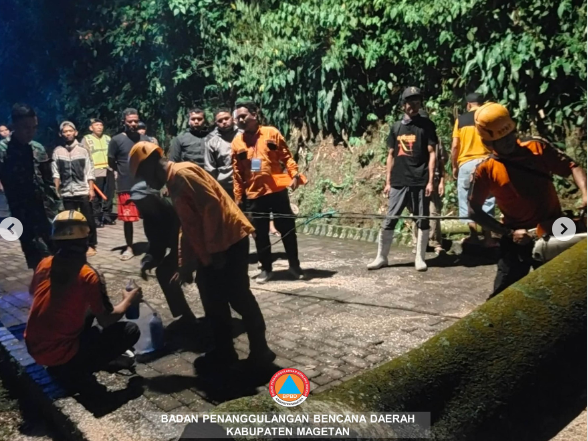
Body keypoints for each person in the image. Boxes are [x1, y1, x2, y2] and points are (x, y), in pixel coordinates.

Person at [129, 142, 275, 368]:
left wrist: (215, 253)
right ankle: (225, 351)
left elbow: (213, 209)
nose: (147, 183)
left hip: (228, 242)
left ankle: (261, 350)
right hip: (215, 247)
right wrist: (185, 262)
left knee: (238, 297)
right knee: (212, 300)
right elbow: (189, 227)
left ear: (150, 164)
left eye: (144, 176)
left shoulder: (183, 174)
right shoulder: (173, 182)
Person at [468, 102, 587, 298]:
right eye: (501, 140)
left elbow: (572, 166)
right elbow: (474, 210)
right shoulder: (486, 169)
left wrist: (585, 191)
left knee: (566, 288)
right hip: (518, 238)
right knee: (503, 296)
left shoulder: (536, 148)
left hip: (556, 227)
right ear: (489, 143)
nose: (508, 142)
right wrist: (508, 232)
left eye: (510, 136)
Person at [25, 210, 142, 391]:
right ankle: (76, 369)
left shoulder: (45, 262)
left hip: (35, 348)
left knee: (87, 314)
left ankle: (71, 361)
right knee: (130, 330)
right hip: (60, 356)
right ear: (86, 240)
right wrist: (129, 300)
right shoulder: (88, 275)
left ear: (55, 241)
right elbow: (107, 318)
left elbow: (34, 293)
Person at [232, 101, 304, 283]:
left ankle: (294, 266)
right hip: (254, 194)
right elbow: (237, 172)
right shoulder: (237, 143)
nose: (240, 120)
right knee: (260, 233)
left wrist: (294, 173)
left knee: (287, 228)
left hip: (277, 190)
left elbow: (286, 156)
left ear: (254, 114)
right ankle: (266, 268)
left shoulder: (272, 133)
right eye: (238, 117)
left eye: (244, 116)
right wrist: (238, 197)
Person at [367, 87, 438, 272]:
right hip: (399, 180)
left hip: (420, 180)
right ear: (403, 105)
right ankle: (381, 257)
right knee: (390, 218)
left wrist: (431, 181)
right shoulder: (396, 127)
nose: (414, 106)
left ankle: (420, 258)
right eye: (410, 103)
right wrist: (388, 181)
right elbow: (390, 155)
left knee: (422, 219)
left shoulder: (427, 125)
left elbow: (432, 154)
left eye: (417, 102)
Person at [0, 104, 61, 269]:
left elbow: (49, 184)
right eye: (26, 128)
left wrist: (59, 209)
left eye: (34, 127)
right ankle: (44, 292)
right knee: (38, 261)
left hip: (47, 213)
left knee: (58, 255)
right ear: (13, 126)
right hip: (23, 216)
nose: (31, 132)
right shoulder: (3, 150)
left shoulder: (37, 148)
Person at [126, 181, 194, 321]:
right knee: (163, 272)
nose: (138, 206)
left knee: (204, 279)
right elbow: (157, 247)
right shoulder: (149, 219)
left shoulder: (173, 209)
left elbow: (187, 238)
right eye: (136, 203)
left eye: (141, 202)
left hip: (197, 244)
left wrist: (183, 265)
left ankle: (213, 319)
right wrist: (147, 262)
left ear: (153, 198)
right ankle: (185, 315)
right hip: (180, 248)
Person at [452, 93, 496, 246]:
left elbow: (455, 146)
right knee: (488, 199)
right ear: (481, 104)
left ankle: (473, 236)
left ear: (468, 105)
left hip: (466, 163)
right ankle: (489, 238)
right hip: (486, 162)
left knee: (467, 199)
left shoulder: (461, 120)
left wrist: (454, 166)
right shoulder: (487, 118)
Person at [108, 108, 150, 260]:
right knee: (128, 220)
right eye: (130, 121)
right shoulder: (116, 140)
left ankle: (151, 246)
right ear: (123, 122)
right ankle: (129, 247)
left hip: (144, 185)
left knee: (149, 217)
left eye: (135, 121)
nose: (133, 124)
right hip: (126, 185)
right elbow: (112, 162)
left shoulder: (145, 139)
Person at [52, 121, 98, 257]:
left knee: (88, 219)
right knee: (68, 220)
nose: (68, 134)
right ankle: (71, 245)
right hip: (67, 192)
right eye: (65, 132)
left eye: (70, 131)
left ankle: (91, 244)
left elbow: (90, 171)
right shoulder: (57, 151)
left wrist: (91, 189)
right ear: (61, 134)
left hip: (82, 190)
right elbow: (56, 173)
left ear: (75, 133)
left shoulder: (83, 150)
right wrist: (56, 190)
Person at [411, 108, 445, 255]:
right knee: (416, 211)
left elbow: (442, 162)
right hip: (416, 179)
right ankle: (417, 241)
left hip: (434, 179)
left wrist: (442, 180)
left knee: (433, 211)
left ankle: (435, 242)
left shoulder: (436, 140)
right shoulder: (411, 138)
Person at [82, 118, 115, 227]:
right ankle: (96, 217)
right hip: (95, 170)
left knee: (109, 194)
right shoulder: (87, 139)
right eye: (96, 125)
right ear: (91, 128)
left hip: (109, 169)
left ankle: (107, 215)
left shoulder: (107, 138)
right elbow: (84, 156)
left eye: (101, 125)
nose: (99, 127)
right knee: (96, 196)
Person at [204, 107, 239, 198]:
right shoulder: (211, 141)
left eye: (226, 118)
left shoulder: (244, 135)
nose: (224, 122)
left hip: (246, 183)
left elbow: (256, 156)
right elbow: (210, 168)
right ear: (216, 123)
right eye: (220, 120)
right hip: (225, 185)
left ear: (232, 118)